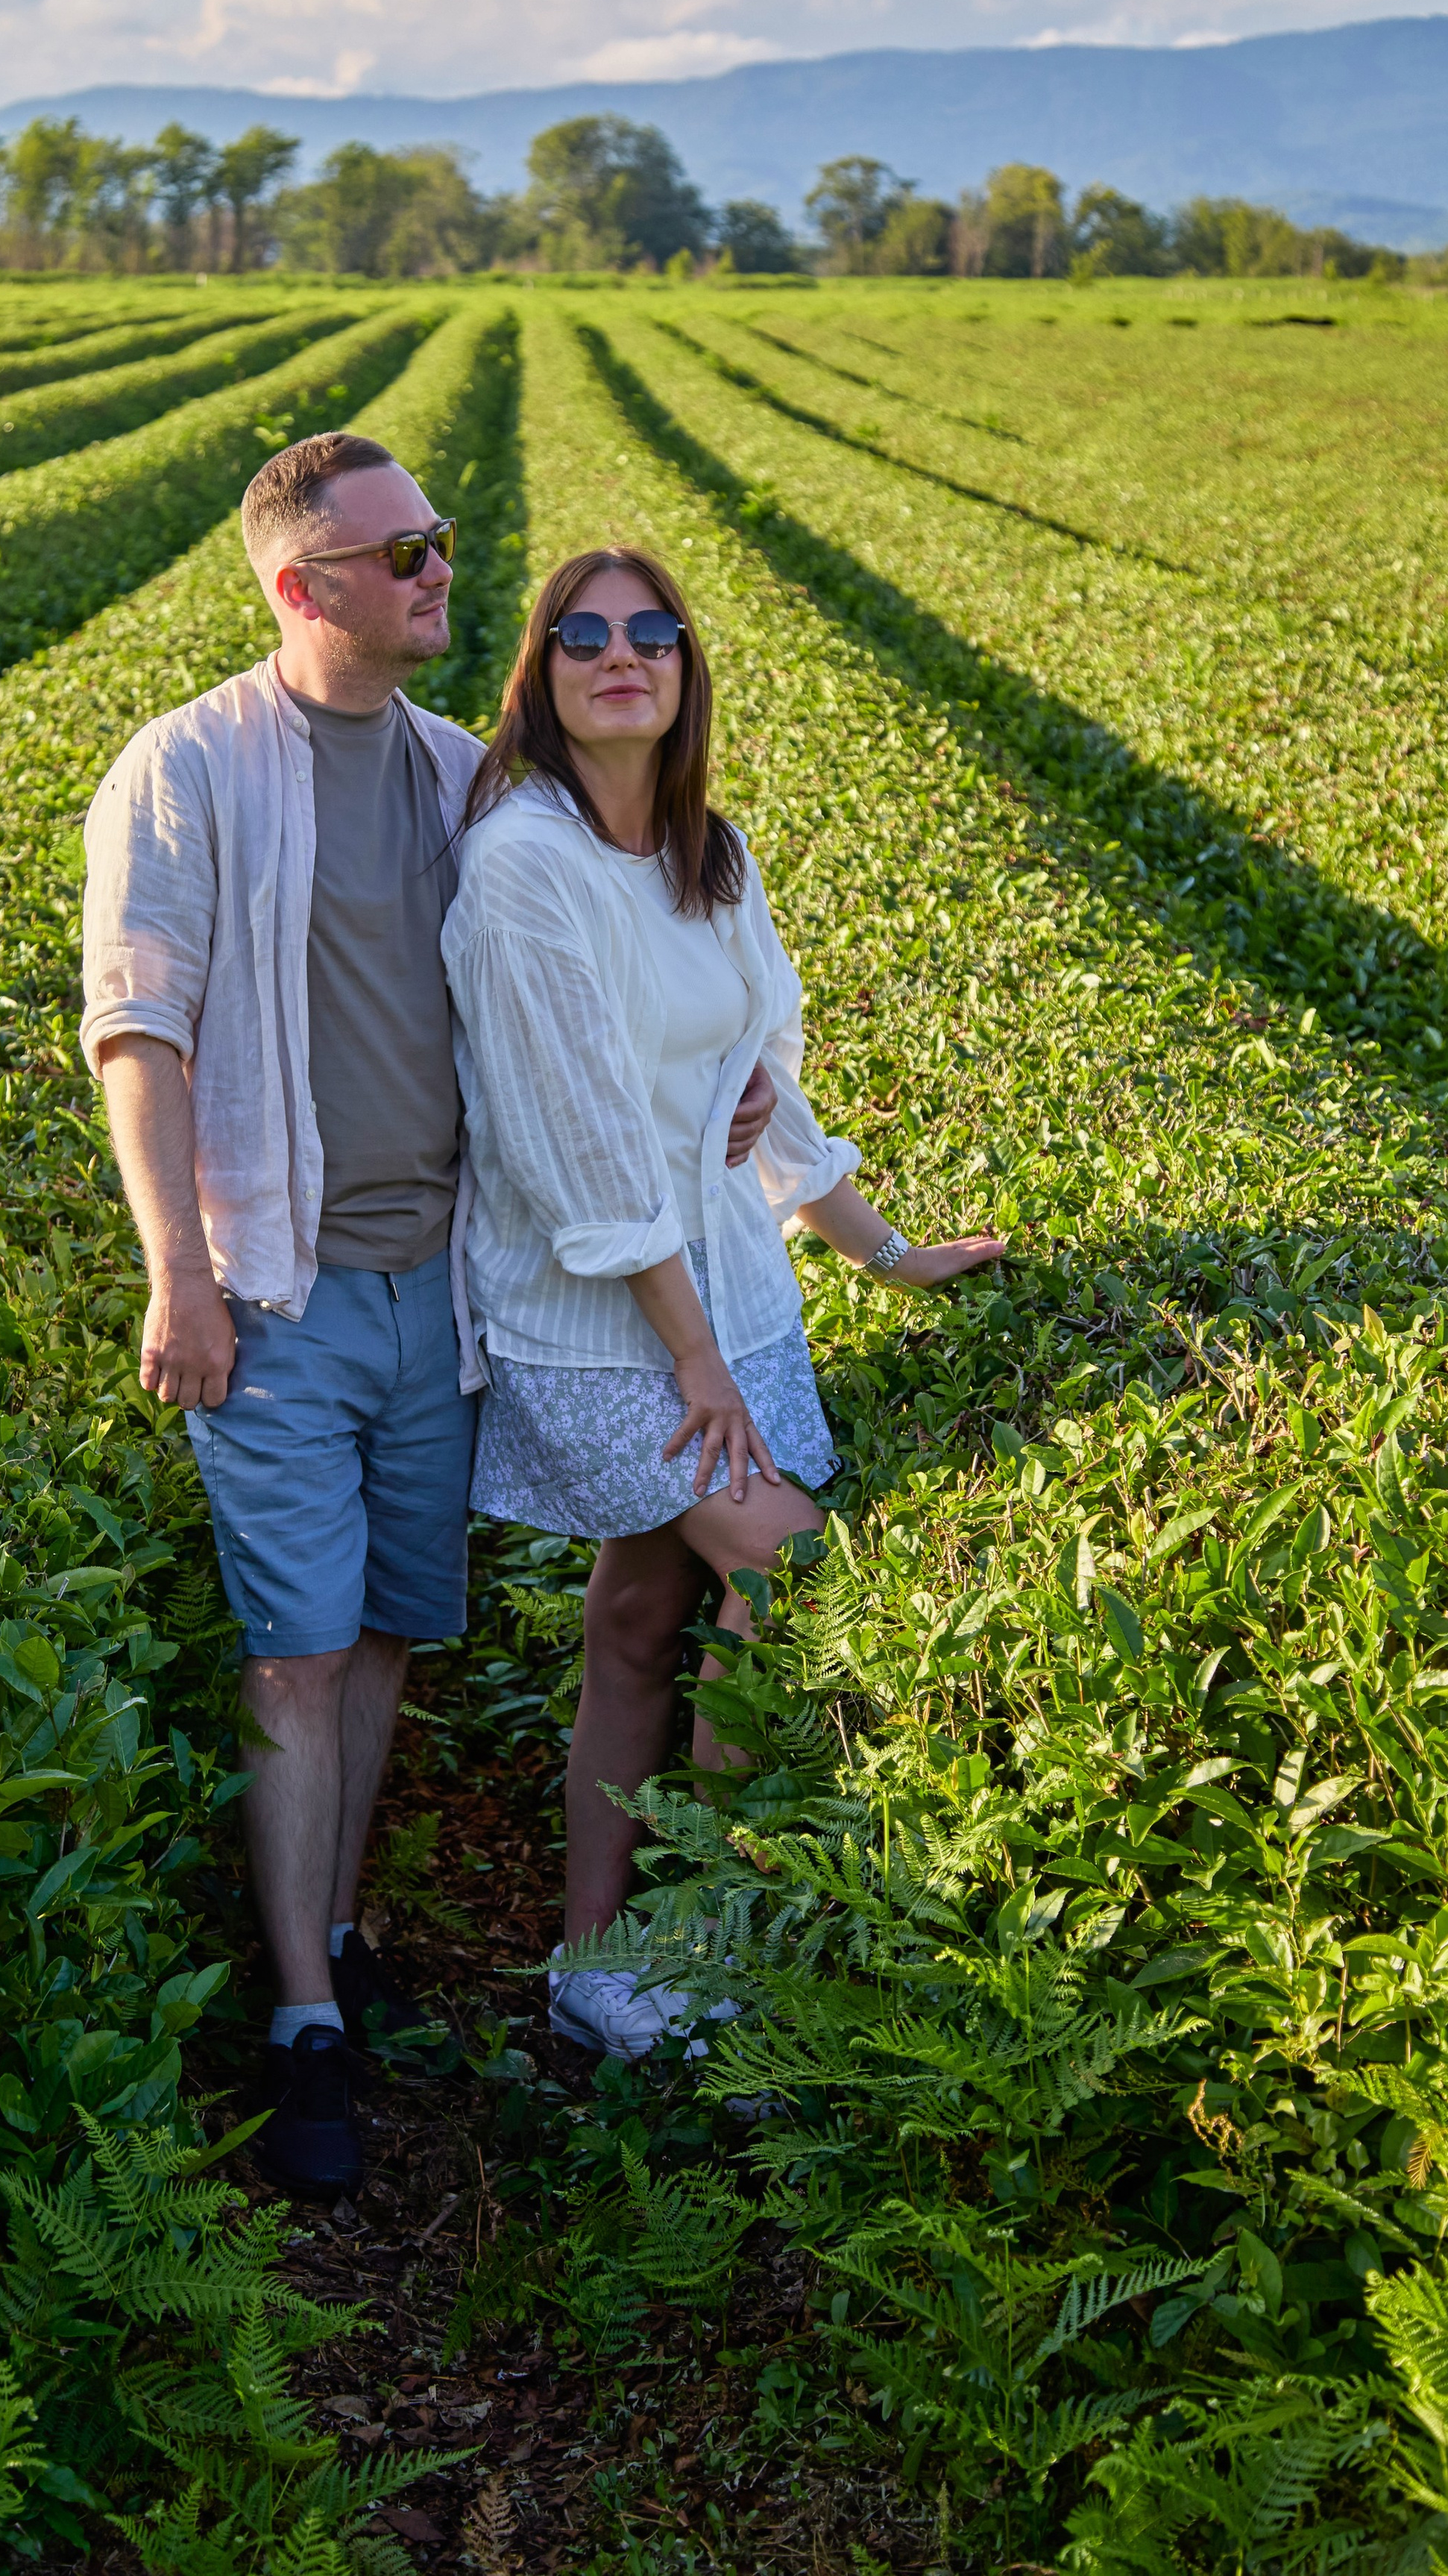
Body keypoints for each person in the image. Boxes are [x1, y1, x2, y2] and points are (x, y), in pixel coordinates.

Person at [78, 442, 774, 2196]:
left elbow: (577, 1008)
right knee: (295, 1651)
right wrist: (176, 1269)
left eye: (442, 544)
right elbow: (137, 1031)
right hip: (279, 1291)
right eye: (399, 553)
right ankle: (306, 2018)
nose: (439, 573)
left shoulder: (465, 776)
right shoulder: (188, 769)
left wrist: (731, 1112)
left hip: (443, 1295)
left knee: (385, 1635)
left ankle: (340, 1929)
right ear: (298, 588)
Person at [444, 544, 1006, 2062]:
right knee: (793, 1572)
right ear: (541, 673)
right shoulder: (521, 866)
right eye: (581, 634)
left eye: (651, 632)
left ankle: (594, 1960)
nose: (618, 654)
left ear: (684, 669)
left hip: (726, 1293)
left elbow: (769, 1080)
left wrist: (880, 1253)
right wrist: (689, 1355)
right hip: (602, 1315)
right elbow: (584, 1147)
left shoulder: (712, 851)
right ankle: (700, 1934)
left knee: (640, 1611)